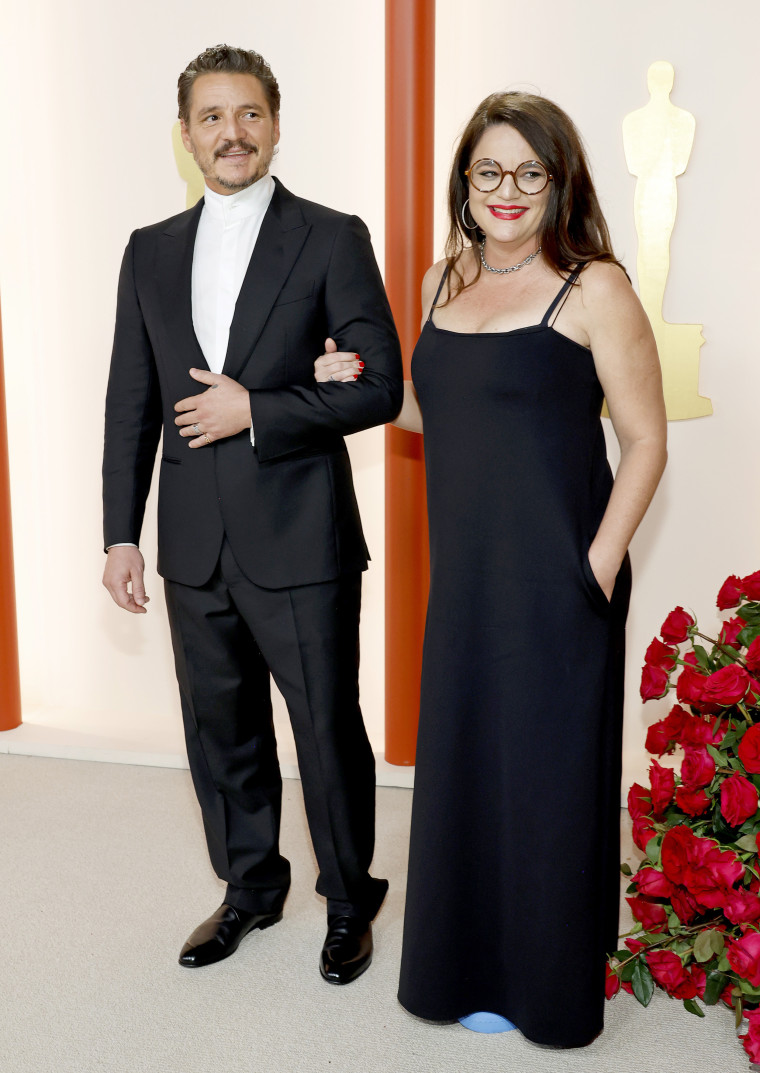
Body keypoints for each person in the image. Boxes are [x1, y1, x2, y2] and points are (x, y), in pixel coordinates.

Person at [315, 92, 667, 1044]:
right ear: (464, 182)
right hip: (467, 577)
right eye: (488, 171)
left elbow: (644, 441)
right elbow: (447, 414)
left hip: (560, 572)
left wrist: (593, 568)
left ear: (559, 183)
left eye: (529, 172)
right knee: (470, 767)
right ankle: (464, 966)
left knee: (544, 780)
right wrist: (371, 391)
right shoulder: (440, 279)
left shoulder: (594, 288)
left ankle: (544, 983)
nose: (506, 190)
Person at [102, 44, 402, 984]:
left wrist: (257, 409)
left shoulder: (332, 236)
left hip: (301, 536)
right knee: (218, 728)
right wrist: (120, 531)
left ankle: (350, 899)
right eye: (210, 117)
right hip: (192, 543)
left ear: (275, 122)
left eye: (248, 115)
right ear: (186, 134)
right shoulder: (149, 250)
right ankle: (250, 887)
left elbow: (381, 384)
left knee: (324, 729)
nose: (230, 133)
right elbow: (131, 401)